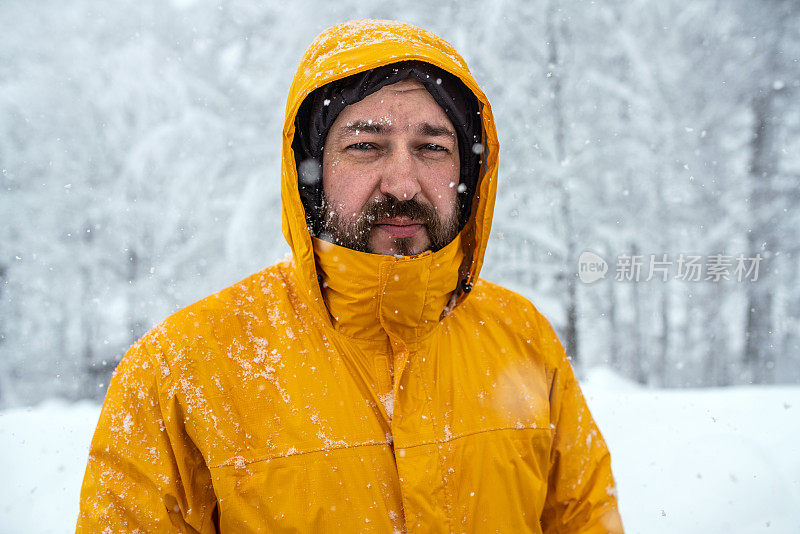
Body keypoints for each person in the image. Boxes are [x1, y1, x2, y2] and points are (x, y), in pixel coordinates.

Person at [77, 20, 624, 533]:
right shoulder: (184, 369)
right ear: (310, 172)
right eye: (366, 146)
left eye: (433, 147)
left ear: (468, 171)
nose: (403, 184)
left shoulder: (522, 339)